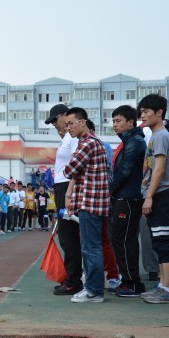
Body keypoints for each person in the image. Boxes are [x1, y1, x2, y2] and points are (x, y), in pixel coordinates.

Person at [133, 95, 169, 303]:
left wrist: (149, 196)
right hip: (156, 194)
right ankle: (162, 286)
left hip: (160, 194)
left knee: (164, 241)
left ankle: (167, 289)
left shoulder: (160, 136)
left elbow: (159, 170)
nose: (142, 116)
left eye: (146, 112)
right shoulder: (155, 135)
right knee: (159, 242)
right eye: (141, 112)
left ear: (159, 112)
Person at [63, 107, 111, 303]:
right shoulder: (94, 142)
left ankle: (94, 291)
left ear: (82, 122)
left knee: (90, 248)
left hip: (90, 203)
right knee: (92, 247)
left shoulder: (87, 144)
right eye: (66, 125)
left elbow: (69, 171)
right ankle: (92, 289)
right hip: (93, 202)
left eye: (71, 124)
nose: (68, 128)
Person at [109, 105, 147, 297]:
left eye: (118, 121)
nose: (114, 125)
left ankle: (132, 283)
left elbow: (125, 170)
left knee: (123, 239)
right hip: (124, 196)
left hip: (129, 197)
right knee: (123, 239)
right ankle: (128, 281)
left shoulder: (135, 141)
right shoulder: (130, 141)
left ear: (131, 122)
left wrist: (110, 190)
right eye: (113, 121)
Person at [46, 104, 82, 295]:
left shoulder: (73, 137)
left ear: (65, 116)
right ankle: (73, 278)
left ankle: (73, 281)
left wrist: (69, 193)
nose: (54, 124)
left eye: (55, 120)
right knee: (67, 236)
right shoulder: (67, 137)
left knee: (69, 237)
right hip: (62, 188)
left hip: (68, 187)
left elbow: (76, 166)